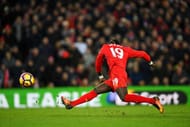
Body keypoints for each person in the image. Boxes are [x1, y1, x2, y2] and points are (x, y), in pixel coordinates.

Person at [61, 40, 164, 113]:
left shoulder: (106, 47)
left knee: (124, 97)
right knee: (95, 91)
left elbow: (98, 61)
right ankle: (71, 104)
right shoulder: (125, 49)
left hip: (117, 76)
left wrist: (100, 75)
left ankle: (153, 100)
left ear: (111, 44)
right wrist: (150, 61)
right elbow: (142, 53)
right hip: (116, 76)